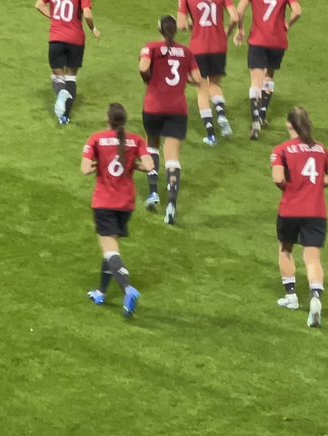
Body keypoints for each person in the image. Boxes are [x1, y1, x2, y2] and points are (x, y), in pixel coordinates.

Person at [81, 103, 154, 317]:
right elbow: (150, 166)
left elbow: (85, 169)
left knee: (110, 250)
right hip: (126, 204)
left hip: (104, 202)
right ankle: (101, 292)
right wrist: (133, 165)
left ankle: (127, 289)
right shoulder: (136, 140)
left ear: (108, 119)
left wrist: (98, 166)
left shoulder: (96, 139)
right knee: (110, 249)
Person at [270, 107, 328, 328]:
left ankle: (291, 297)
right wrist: (315, 186)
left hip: (291, 209)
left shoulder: (282, 150)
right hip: (317, 211)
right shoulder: (321, 149)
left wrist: (293, 188)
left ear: (289, 125)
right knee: (312, 258)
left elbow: (278, 178)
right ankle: (316, 298)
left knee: (285, 249)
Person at [139, 16, 202, 225]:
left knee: (152, 147)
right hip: (177, 109)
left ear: (159, 29)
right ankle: (172, 204)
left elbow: (143, 67)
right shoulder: (186, 52)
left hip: (154, 106)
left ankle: (154, 193)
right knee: (173, 157)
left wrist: (149, 79)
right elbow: (198, 79)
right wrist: (183, 78)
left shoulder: (152, 48)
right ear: (175, 31)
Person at [234, 0, 302, 140]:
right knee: (269, 76)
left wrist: (240, 29)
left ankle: (255, 122)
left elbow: (239, 11)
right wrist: (287, 25)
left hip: (258, 41)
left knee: (255, 82)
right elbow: (297, 11)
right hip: (278, 41)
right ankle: (263, 115)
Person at [178, 0, 239, 146]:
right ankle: (222, 115)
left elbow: (181, 26)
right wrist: (228, 32)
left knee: (202, 88)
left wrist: (192, 24)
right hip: (219, 45)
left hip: (199, 47)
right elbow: (235, 18)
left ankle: (211, 135)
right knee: (215, 84)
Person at [35, 0, 100, 124]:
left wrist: (53, 17)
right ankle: (64, 117)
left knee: (57, 76)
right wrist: (93, 29)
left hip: (56, 39)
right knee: (71, 77)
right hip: (76, 40)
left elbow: (38, 5)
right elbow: (87, 14)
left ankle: (60, 91)